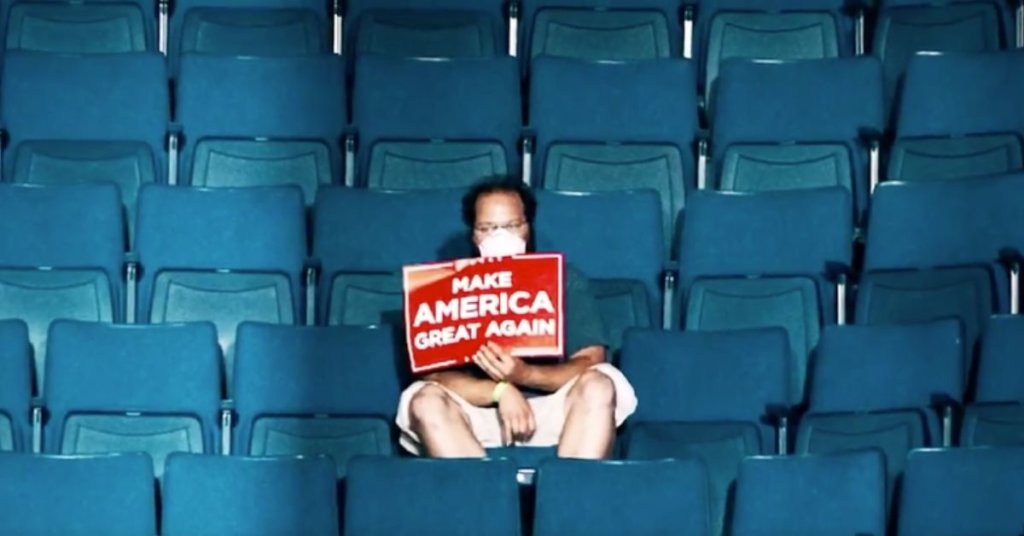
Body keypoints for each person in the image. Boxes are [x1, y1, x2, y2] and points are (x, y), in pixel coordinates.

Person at [396, 178, 637, 459]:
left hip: (554, 409)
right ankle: (478, 486)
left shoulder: (563, 278)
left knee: (601, 382)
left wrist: (525, 375)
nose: (499, 237)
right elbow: (435, 374)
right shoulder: (443, 286)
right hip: (477, 413)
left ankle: (573, 484)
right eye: (487, 228)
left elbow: (590, 359)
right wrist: (500, 391)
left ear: (528, 227)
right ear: (473, 235)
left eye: (511, 226)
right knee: (423, 398)